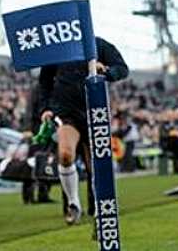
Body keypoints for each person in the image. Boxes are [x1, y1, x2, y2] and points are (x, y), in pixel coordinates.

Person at [38, 37, 129, 225]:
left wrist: (108, 72)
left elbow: (122, 68)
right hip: (66, 110)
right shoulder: (57, 47)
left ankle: (99, 207)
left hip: (95, 110)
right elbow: (45, 81)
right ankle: (73, 204)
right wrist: (45, 108)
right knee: (65, 155)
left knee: (95, 165)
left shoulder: (99, 44)